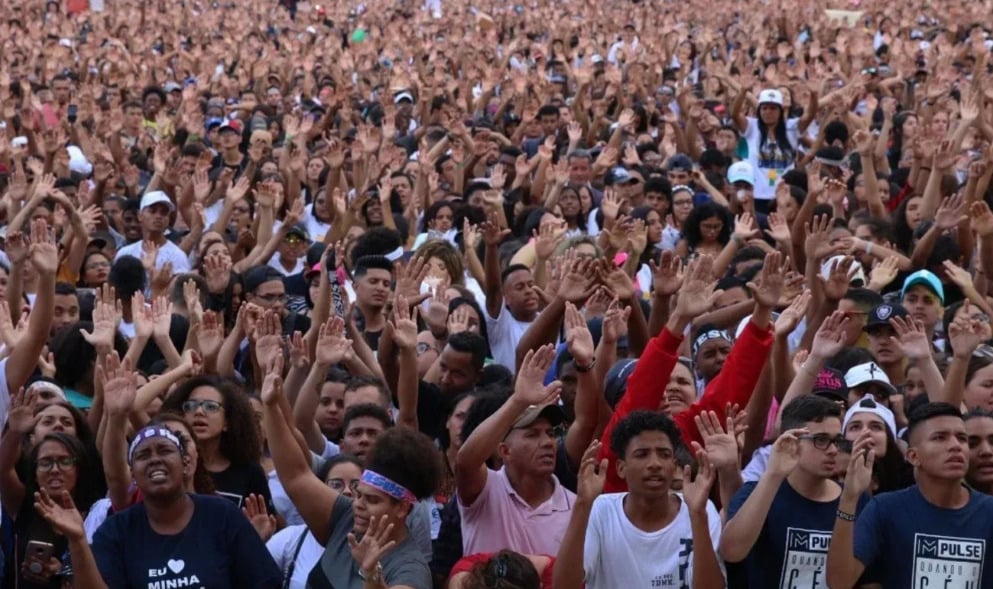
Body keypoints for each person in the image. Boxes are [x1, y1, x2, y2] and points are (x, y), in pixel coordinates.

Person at [262, 351, 442, 589]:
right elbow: (296, 475)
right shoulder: (346, 518)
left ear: (402, 507)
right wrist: (271, 405)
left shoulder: (410, 568)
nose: (358, 503)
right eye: (359, 493)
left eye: (372, 500)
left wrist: (372, 576)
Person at [34, 425, 283, 588]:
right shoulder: (116, 531)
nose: (155, 459)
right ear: (133, 474)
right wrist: (77, 540)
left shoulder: (222, 515)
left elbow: (265, 583)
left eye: (164, 450)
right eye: (143, 455)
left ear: (186, 464)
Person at [827, 403, 993, 588]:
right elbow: (839, 583)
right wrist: (849, 498)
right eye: (940, 438)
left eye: (962, 439)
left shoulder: (989, 511)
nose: (955, 446)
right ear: (913, 456)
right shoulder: (885, 509)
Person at [554, 413, 723, 589]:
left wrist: (697, 516)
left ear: (674, 467)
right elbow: (563, 585)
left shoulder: (700, 509)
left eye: (664, 454)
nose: (655, 464)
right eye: (642, 454)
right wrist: (582, 503)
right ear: (621, 468)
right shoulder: (600, 510)